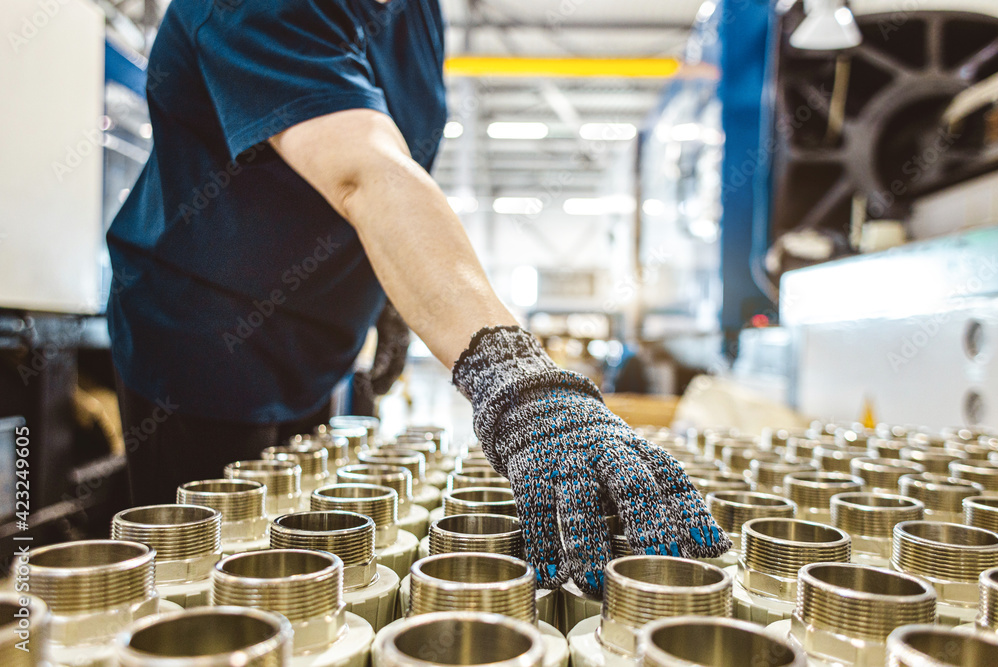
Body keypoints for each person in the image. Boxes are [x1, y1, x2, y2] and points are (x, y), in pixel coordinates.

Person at [107, 0, 728, 595]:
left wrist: (391, 303)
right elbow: (365, 172)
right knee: (211, 565)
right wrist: (513, 376)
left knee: (296, 552)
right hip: (202, 340)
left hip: (315, 343)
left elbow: (400, 161)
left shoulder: (415, 11)